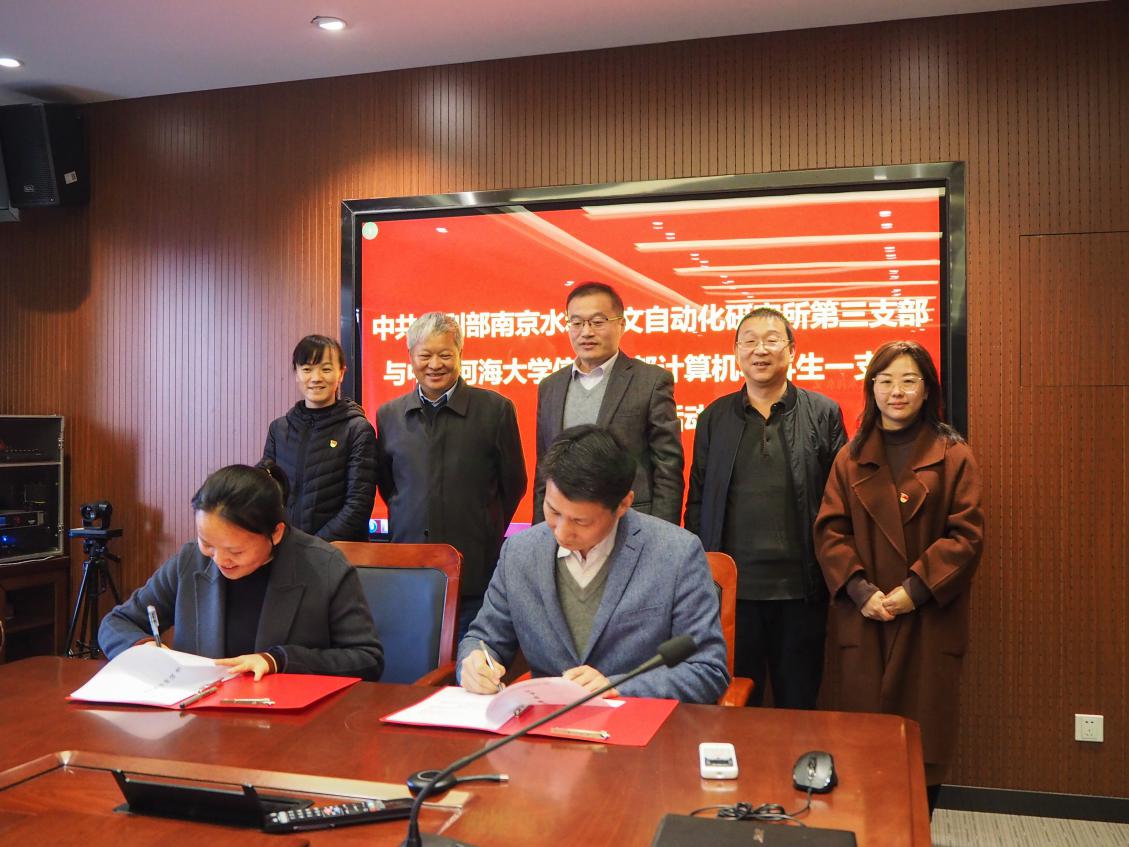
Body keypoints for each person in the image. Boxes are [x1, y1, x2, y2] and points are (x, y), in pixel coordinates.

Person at [814, 340, 983, 814]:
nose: (897, 391)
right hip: (866, 617)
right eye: (885, 380)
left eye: (909, 380)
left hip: (928, 617)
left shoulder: (953, 454)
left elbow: (966, 536)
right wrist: (860, 590)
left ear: (927, 390)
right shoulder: (850, 457)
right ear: (871, 389)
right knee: (863, 748)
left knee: (922, 749)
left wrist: (915, 590)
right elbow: (830, 532)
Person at [458, 425, 728, 704]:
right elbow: (483, 639)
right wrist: (475, 662)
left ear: (623, 504)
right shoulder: (520, 552)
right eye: (553, 511)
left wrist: (619, 686)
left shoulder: (676, 553)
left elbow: (707, 670)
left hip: (635, 722)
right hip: (544, 723)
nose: (562, 532)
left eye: (581, 521)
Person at [685, 307, 845, 709]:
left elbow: (840, 501)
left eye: (772, 340)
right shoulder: (714, 417)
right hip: (733, 594)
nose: (760, 350)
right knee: (736, 706)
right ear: (736, 351)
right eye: (749, 341)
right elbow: (697, 500)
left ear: (792, 350)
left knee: (799, 704)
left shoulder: (823, 412)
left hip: (802, 591)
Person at [99, 463, 384, 680]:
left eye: (235, 551)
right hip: (201, 722)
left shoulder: (324, 566)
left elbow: (366, 659)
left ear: (276, 533)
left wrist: (279, 661)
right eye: (207, 543)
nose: (220, 559)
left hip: (290, 726)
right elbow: (117, 623)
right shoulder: (191, 561)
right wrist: (145, 649)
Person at [375, 312, 526, 637]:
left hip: (474, 570)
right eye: (425, 355)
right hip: (410, 570)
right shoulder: (389, 415)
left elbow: (514, 483)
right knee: (412, 660)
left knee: (470, 658)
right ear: (411, 357)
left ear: (460, 353)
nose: (435, 364)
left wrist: (484, 528)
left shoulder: (495, 410)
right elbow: (390, 486)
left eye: (445, 354)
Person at [533, 282, 683, 525]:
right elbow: (544, 471)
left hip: (631, 523)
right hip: (566, 527)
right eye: (576, 323)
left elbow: (668, 467)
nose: (586, 332)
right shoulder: (550, 386)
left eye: (597, 322)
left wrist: (664, 533)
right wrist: (541, 531)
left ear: (621, 324)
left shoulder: (651, 381)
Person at [262, 334, 377, 542]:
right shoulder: (279, 429)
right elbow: (265, 492)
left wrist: (312, 548)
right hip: (286, 548)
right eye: (307, 369)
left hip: (338, 552)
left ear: (341, 373)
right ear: (296, 373)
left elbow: (358, 506)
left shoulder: (357, 430)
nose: (316, 378)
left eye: (326, 369)